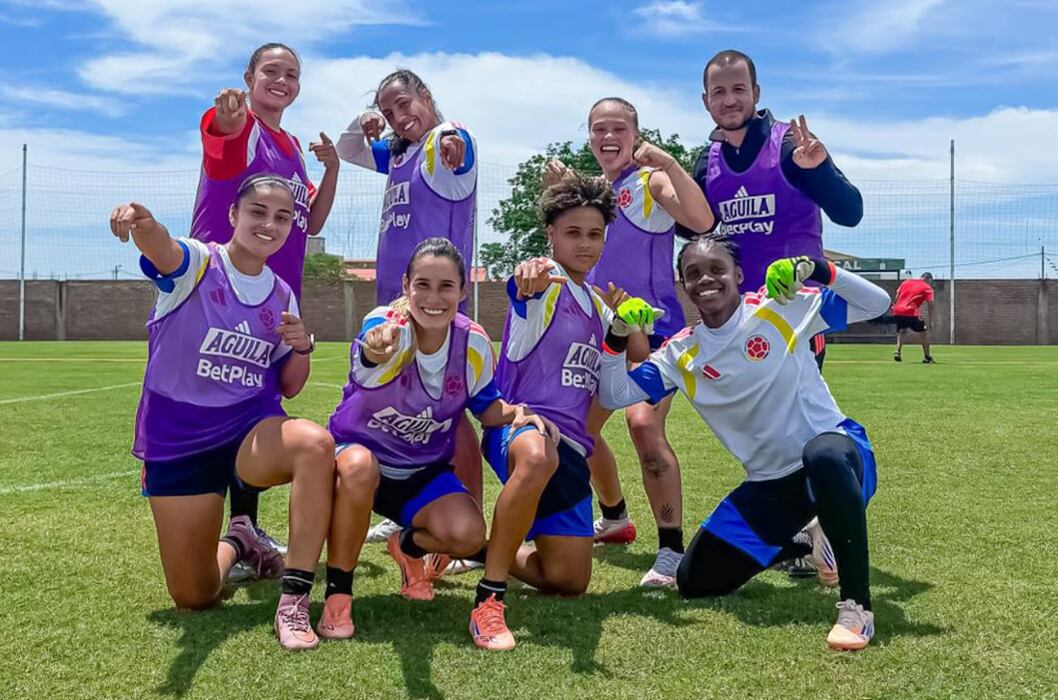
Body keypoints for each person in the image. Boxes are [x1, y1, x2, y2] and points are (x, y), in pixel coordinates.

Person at [598, 235, 891, 651]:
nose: (706, 279)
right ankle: (807, 541)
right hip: (772, 484)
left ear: (737, 275)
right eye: (693, 273)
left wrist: (818, 268)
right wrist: (616, 334)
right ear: (683, 285)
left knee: (821, 453)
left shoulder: (781, 309)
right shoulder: (681, 353)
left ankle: (856, 607)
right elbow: (614, 395)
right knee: (695, 581)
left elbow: (877, 303)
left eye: (717, 269)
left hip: (840, 461)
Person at [112, 175, 336, 651]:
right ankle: (241, 541)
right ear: (234, 215)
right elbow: (163, 250)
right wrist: (143, 223)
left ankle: (294, 599)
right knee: (193, 596)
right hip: (179, 436)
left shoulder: (282, 295)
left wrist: (303, 346)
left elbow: (291, 387)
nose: (269, 224)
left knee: (315, 444)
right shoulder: (198, 262)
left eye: (282, 217)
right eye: (258, 212)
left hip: (246, 427)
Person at [316, 238, 557, 646]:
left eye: (446, 287)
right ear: (406, 285)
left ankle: (406, 545)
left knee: (466, 535)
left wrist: (517, 412)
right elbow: (373, 347)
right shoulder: (386, 324)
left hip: (421, 471)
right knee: (359, 467)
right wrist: (376, 349)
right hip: (357, 464)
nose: (433, 297)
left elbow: (486, 407)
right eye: (422, 285)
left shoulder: (474, 342)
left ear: (463, 291)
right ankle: (338, 594)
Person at [477, 175, 654, 648]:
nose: (585, 244)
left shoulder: (597, 303)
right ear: (551, 236)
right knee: (538, 456)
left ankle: (468, 545)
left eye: (594, 234)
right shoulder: (545, 287)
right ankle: (489, 599)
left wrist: (627, 316)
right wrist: (528, 276)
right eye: (572, 233)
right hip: (521, 430)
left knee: (568, 580)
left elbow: (637, 354)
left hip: (572, 453)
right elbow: (524, 285)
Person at [543, 96, 714, 587]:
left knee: (642, 424)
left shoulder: (649, 181)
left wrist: (668, 162)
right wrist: (559, 192)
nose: (608, 136)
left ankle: (671, 551)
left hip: (652, 334)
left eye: (618, 127)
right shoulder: (593, 192)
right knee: (576, 431)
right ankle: (615, 517)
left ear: (635, 135)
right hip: (599, 333)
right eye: (599, 128)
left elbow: (701, 222)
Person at [191, 42, 340, 577]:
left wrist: (333, 170)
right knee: (222, 395)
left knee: (256, 400)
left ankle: (243, 528)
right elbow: (222, 143)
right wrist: (228, 120)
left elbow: (312, 221)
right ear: (249, 77)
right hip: (222, 290)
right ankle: (225, 530)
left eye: (292, 74)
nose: (282, 80)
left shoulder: (291, 145)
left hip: (273, 292)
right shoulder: (243, 124)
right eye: (271, 71)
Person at [336, 68, 483, 555]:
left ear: (426, 95)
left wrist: (451, 136)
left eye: (405, 103)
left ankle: (467, 513)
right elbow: (346, 149)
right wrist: (364, 122)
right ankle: (405, 509)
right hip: (395, 305)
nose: (399, 118)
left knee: (454, 411)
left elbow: (454, 139)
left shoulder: (441, 147)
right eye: (389, 111)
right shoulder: (399, 153)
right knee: (393, 404)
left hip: (435, 301)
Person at [892, 272, 935, 363]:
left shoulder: (906, 282)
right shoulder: (928, 288)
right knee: (923, 333)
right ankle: (927, 356)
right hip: (911, 311)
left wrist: (896, 305)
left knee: (902, 331)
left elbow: (897, 295)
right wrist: (931, 320)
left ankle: (897, 351)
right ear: (929, 279)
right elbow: (930, 305)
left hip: (898, 310)